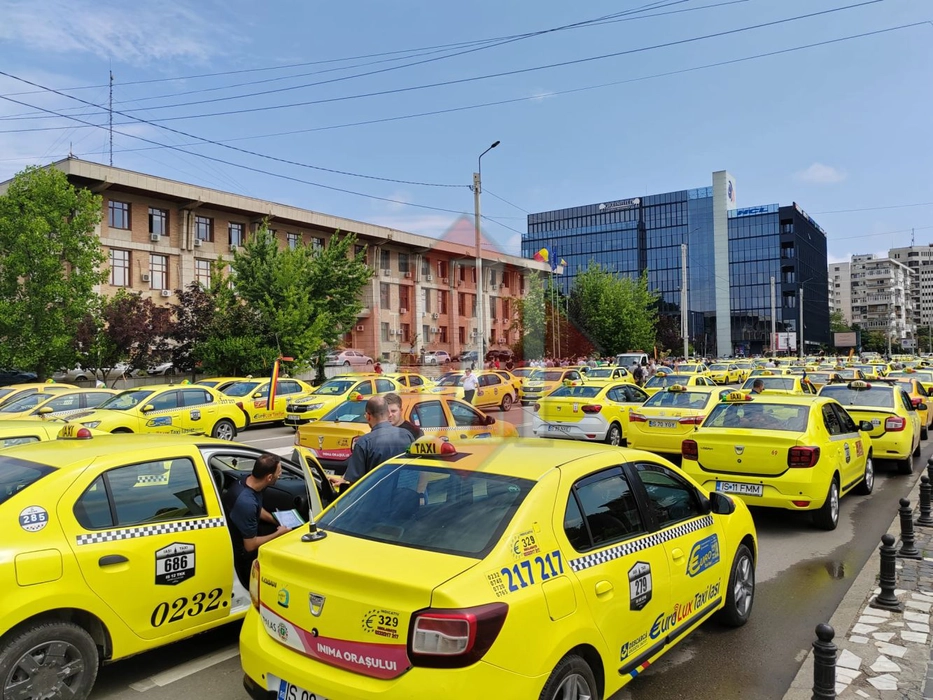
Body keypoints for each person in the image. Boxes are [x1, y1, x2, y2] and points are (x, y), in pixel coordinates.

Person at [223, 454, 291, 587]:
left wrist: (276, 521)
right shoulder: (246, 503)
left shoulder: (247, 481)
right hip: (242, 553)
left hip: (244, 530)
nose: (280, 474)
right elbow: (250, 545)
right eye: (279, 472)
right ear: (269, 477)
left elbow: (257, 509)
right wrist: (279, 533)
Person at [329, 395, 413, 488]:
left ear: (368, 416)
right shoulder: (407, 435)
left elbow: (355, 484)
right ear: (388, 413)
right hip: (404, 494)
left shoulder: (364, 443)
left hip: (375, 495)